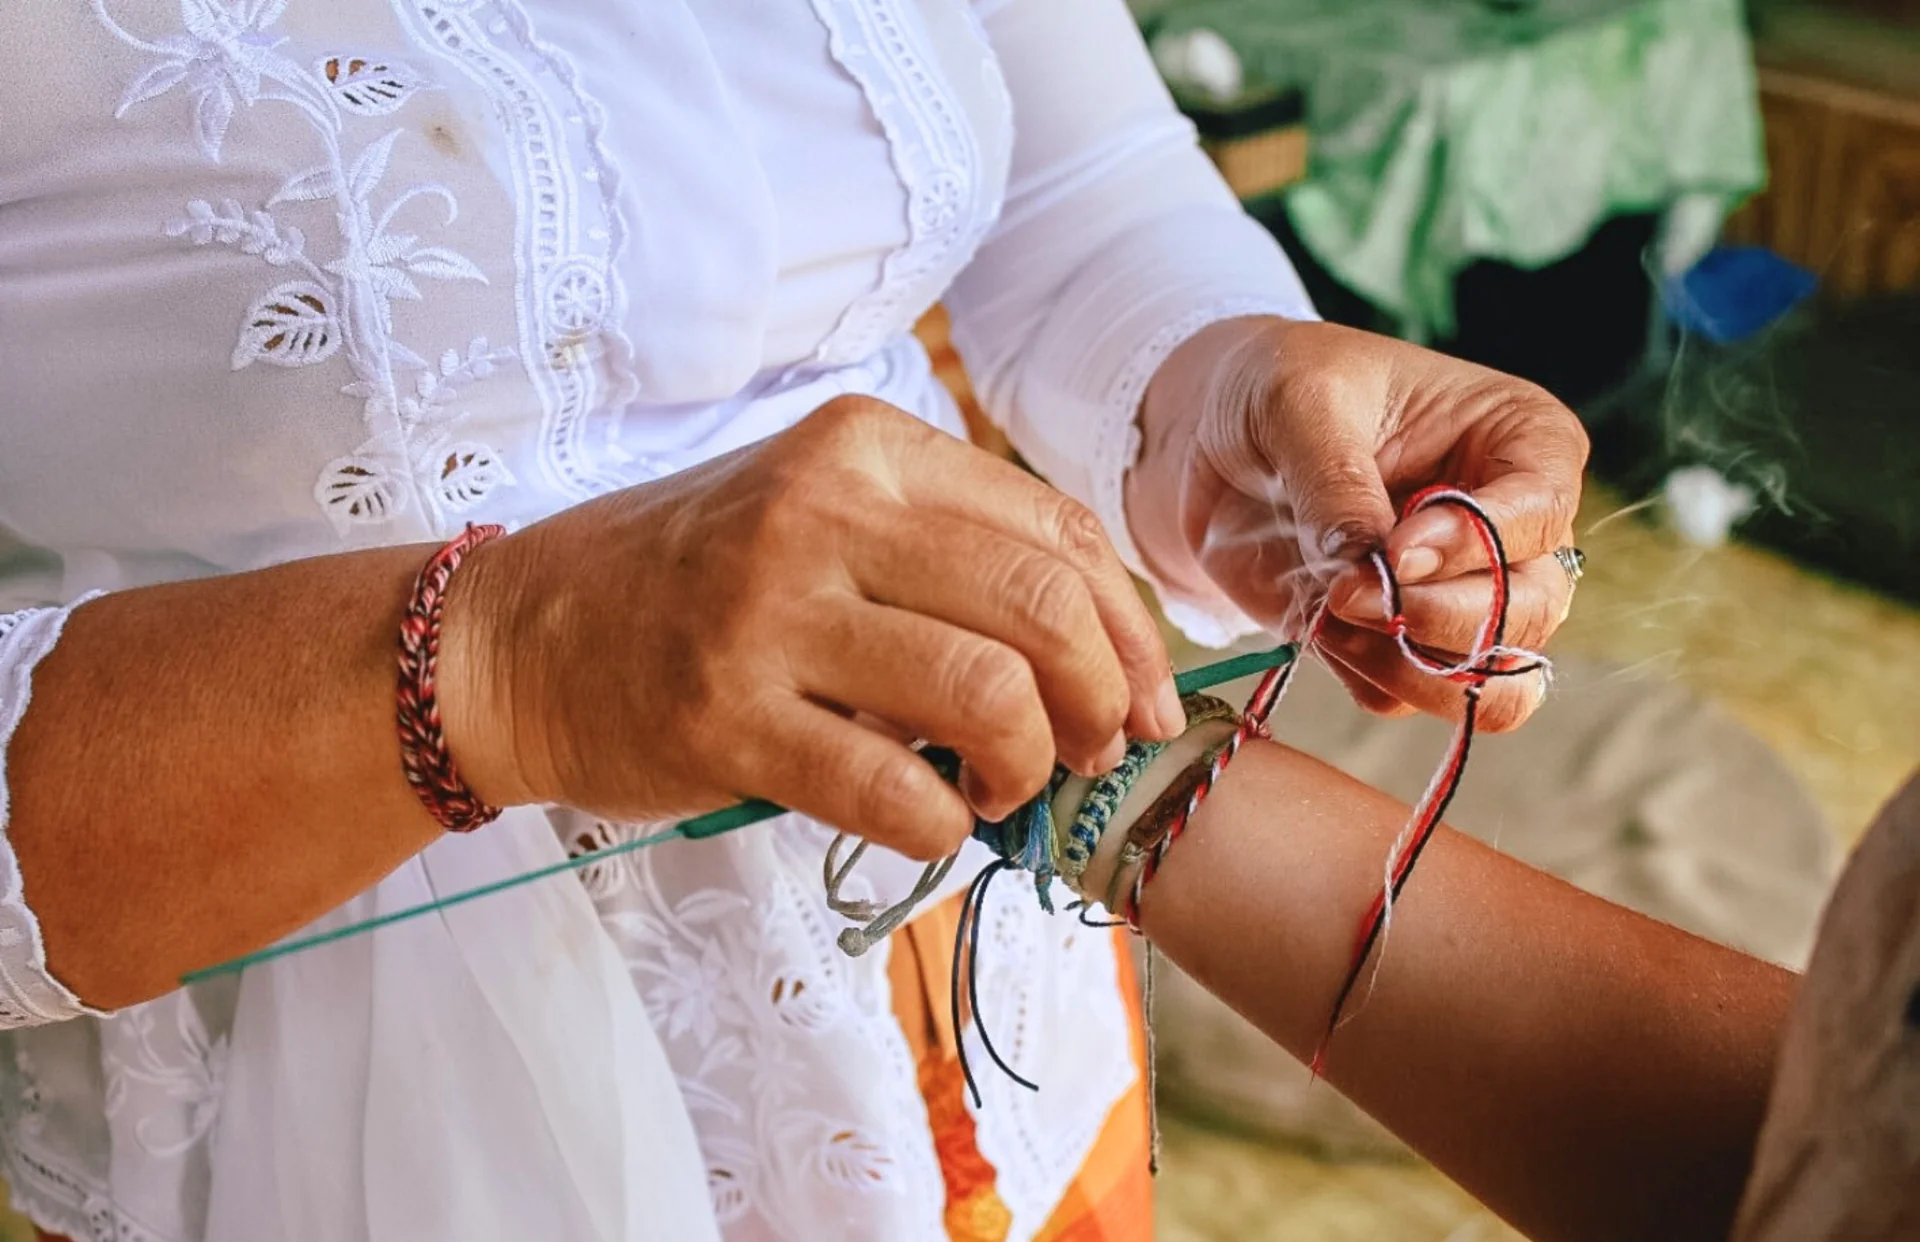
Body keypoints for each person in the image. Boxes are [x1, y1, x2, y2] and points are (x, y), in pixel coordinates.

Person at [0, 2, 1588, 1240]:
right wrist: (510, 659)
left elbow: (1078, 187)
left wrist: (1233, 390)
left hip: (966, 980)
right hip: (351, 1090)